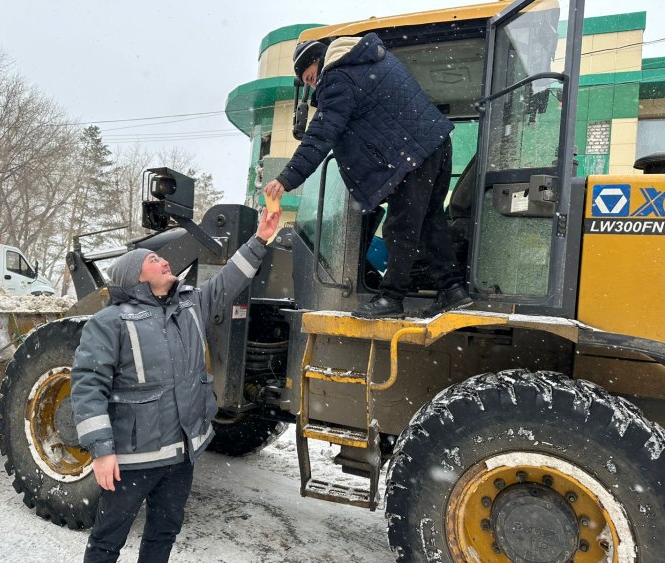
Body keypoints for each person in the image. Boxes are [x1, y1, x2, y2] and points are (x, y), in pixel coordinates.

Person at [71, 208, 281, 563]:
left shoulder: (191, 305)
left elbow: (230, 279)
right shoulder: (108, 322)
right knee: (108, 540)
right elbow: (88, 388)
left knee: (164, 533)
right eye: (154, 259)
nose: (164, 261)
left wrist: (259, 239)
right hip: (132, 460)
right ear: (134, 277)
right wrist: (102, 451)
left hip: (181, 455)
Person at [264, 33, 472, 319]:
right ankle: (452, 290)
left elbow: (321, 135)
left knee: (401, 227)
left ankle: (391, 298)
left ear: (319, 61)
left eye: (310, 77)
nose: (312, 84)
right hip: (435, 144)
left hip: (411, 155)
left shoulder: (336, 76)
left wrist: (287, 178)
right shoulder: (373, 59)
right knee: (429, 221)